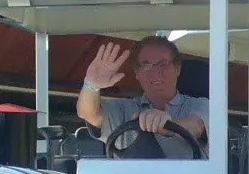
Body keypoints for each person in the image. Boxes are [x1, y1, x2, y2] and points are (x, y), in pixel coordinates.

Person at [77, 36, 208, 158]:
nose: (156, 72)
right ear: (137, 73)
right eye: (146, 65)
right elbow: (88, 113)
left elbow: (197, 126)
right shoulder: (122, 110)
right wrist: (91, 85)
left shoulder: (201, 104)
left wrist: (167, 125)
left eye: (163, 64)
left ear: (178, 69)